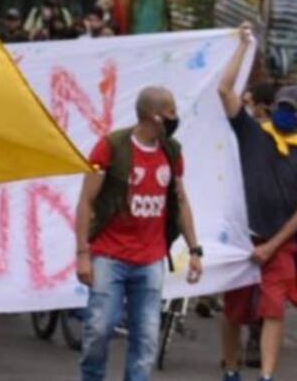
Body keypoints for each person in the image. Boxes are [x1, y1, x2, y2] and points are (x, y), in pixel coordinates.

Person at [75, 86, 203, 381]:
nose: (175, 118)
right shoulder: (111, 147)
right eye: (170, 112)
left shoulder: (172, 152)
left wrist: (195, 249)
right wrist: (83, 254)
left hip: (150, 259)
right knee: (99, 329)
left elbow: (180, 200)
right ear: (153, 116)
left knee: (145, 340)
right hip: (110, 255)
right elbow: (86, 201)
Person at [217, 25, 297, 381]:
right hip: (243, 236)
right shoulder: (252, 133)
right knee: (234, 310)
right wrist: (241, 46)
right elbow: (224, 90)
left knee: (273, 309)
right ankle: (231, 368)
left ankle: (266, 375)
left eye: (293, 110)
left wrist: (274, 246)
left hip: (281, 244)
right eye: (282, 107)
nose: (285, 113)